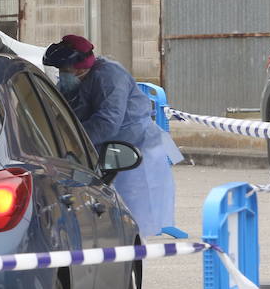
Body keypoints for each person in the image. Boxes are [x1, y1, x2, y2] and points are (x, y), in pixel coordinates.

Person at [42, 34, 182, 239]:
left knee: (134, 209)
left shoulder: (109, 76)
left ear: (79, 67)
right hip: (108, 148)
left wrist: (73, 138)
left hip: (134, 146)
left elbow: (107, 122)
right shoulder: (78, 80)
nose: (62, 76)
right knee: (112, 208)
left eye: (64, 71)